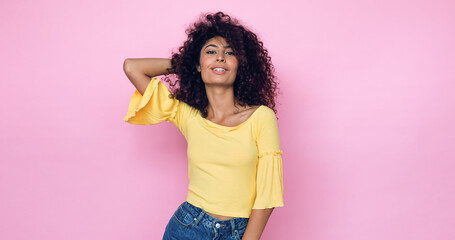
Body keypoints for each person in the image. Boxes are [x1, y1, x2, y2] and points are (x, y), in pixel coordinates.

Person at [122, 12, 283, 240]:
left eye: (230, 52)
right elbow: (132, 68)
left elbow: (268, 195)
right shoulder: (188, 116)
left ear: (241, 65)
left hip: (237, 232)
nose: (220, 57)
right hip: (186, 228)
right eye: (211, 52)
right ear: (198, 64)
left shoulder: (261, 117)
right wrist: (188, 62)